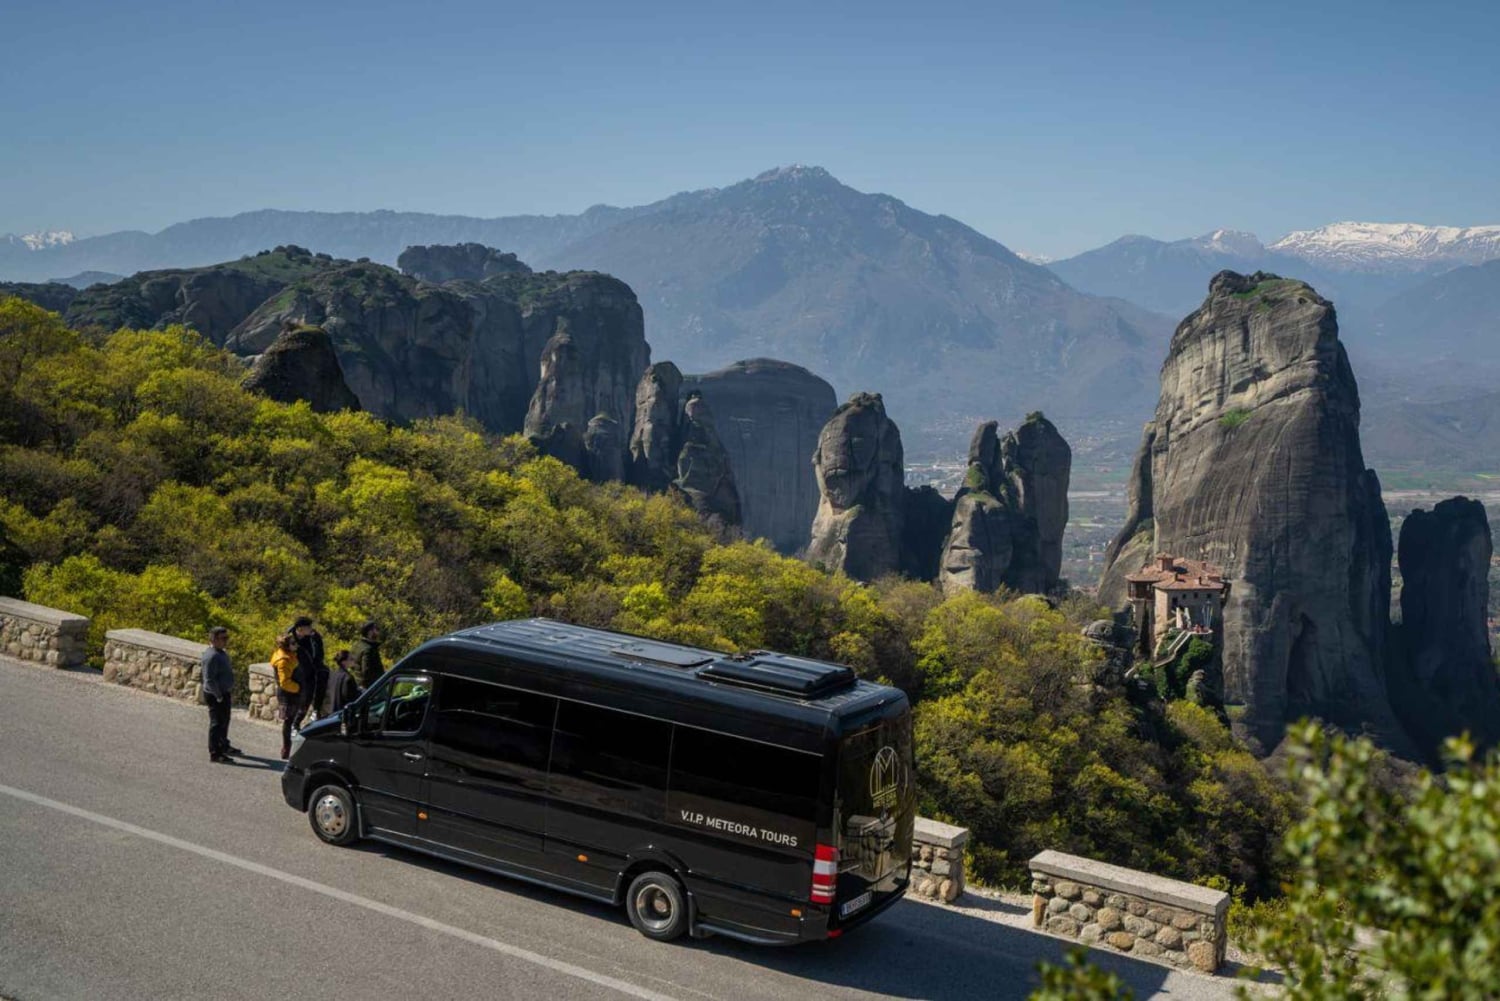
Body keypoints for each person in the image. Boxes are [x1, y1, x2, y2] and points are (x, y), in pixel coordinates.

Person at [201, 626, 239, 763]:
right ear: (214, 639)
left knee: (224, 721)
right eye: (224, 638)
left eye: (227, 638)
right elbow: (209, 680)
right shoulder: (211, 656)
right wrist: (219, 696)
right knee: (216, 724)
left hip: (223, 693)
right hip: (216, 695)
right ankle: (215, 753)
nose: (226, 641)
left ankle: (223, 745)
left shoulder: (220, 652)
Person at [292, 616, 329, 722]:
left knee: (308, 699)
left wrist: (317, 665)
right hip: (298, 674)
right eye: (308, 627)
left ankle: (315, 711)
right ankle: (295, 724)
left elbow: (319, 653)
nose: (311, 629)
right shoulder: (291, 639)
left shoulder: (314, 637)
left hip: (312, 671)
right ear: (300, 629)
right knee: (300, 702)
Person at [271, 631, 301, 759]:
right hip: (288, 694)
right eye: (293, 643)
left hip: (290, 693)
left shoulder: (288, 655)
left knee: (290, 721)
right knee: (289, 721)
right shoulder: (283, 660)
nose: (296, 645)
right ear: (287, 646)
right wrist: (298, 688)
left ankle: (288, 748)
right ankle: (286, 748)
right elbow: (284, 682)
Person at [350, 620, 384, 688]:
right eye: (375, 629)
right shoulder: (369, 649)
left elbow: (352, 665)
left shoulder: (357, 645)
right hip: (371, 688)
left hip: (359, 685)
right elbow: (366, 672)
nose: (377, 631)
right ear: (370, 632)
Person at [328, 649, 362, 713]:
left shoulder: (333, 674)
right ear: (344, 662)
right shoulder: (348, 678)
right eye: (351, 659)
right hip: (342, 714)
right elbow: (351, 698)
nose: (353, 660)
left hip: (331, 712)